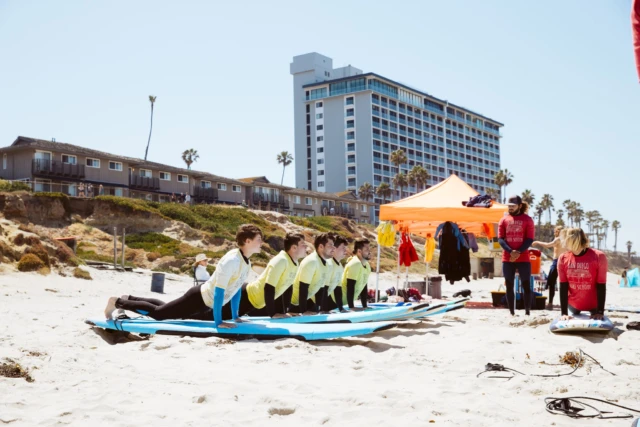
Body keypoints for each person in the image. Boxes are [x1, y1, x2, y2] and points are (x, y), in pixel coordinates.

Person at [104, 224, 263, 329]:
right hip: (198, 298)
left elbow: (236, 290)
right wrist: (219, 322)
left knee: (166, 308)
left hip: (204, 302)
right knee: (160, 314)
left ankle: (129, 297)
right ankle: (117, 302)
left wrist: (235, 317)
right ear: (247, 241)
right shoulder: (232, 261)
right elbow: (219, 293)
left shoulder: (245, 262)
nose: (261, 243)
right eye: (259, 240)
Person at [221, 232, 307, 319]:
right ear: (294, 247)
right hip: (246, 297)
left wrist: (285, 311)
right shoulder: (281, 260)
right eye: (303, 244)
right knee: (213, 317)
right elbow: (269, 287)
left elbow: (288, 288)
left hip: (257, 303)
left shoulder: (295, 263)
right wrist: (272, 314)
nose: (306, 247)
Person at [558, 228, 608, 321]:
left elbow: (601, 285)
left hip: (594, 306)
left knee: (595, 310)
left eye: (565, 239)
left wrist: (600, 312)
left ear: (572, 240)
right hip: (573, 306)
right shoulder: (563, 258)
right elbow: (563, 286)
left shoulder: (598, 256)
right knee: (574, 310)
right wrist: (564, 313)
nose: (563, 242)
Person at [498, 195, 535, 316]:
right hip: (507, 257)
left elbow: (529, 239)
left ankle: (527, 311)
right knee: (509, 285)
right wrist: (510, 251)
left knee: (526, 285)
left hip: (523, 257)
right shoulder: (503, 220)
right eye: (509, 206)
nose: (510, 208)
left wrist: (517, 252)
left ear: (519, 206)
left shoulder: (528, 220)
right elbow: (501, 239)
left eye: (513, 206)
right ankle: (511, 313)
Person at [289, 233, 335, 315]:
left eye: (333, 245)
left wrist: (322, 310)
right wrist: (304, 311)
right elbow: (303, 288)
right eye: (330, 245)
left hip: (304, 302)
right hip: (291, 304)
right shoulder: (311, 261)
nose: (333, 248)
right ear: (321, 246)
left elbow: (321, 289)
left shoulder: (326, 264)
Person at [325, 238, 372, 311]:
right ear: (359, 251)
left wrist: (364, 305)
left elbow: (364, 286)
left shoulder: (367, 265)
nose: (369, 252)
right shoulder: (355, 263)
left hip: (343, 303)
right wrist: (351, 307)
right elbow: (350, 286)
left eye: (369, 249)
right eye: (366, 249)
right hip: (333, 301)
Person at [532, 226, 568, 309]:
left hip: (558, 262)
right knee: (564, 283)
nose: (554, 233)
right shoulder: (566, 240)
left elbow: (548, 245)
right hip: (565, 261)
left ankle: (550, 303)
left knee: (551, 282)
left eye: (555, 231)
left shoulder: (558, 239)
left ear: (557, 232)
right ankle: (565, 303)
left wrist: (537, 242)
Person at [321, 234, 348, 313]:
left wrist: (341, 309)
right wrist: (324, 309)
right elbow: (324, 289)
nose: (345, 251)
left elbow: (337, 289)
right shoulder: (328, 264)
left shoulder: (339, 266)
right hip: (313, 304)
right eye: (343, 248)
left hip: (323, 303)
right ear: (334, 249)